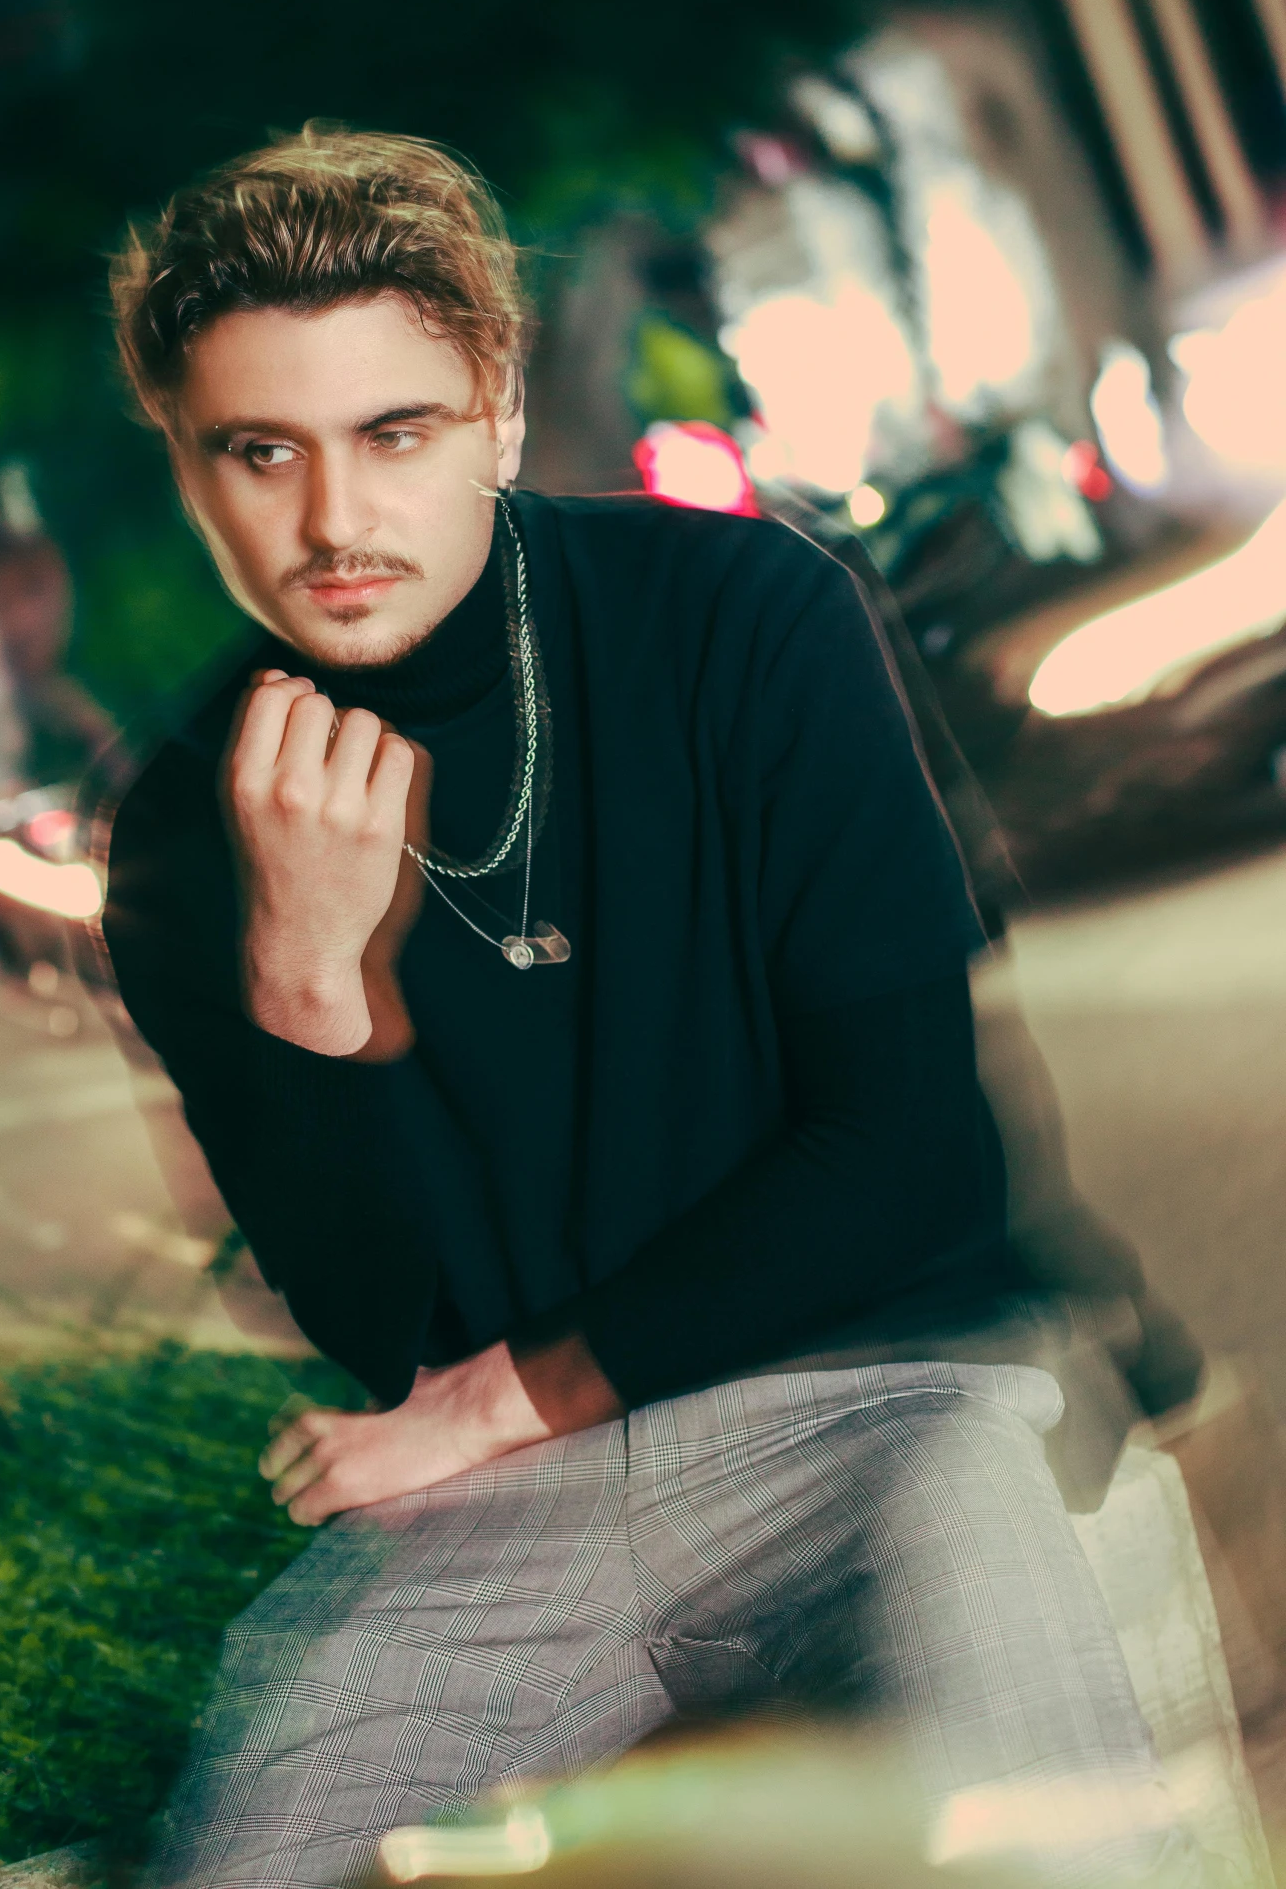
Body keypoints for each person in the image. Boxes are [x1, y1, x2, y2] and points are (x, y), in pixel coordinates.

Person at [101, 129, 1188, 1889]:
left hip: (882, 1401)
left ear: (499, 415)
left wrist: (493, 1395)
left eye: (397, 431)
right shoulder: (178, 826)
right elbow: (390, 1323)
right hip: (506, 1511)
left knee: (1039, 1829)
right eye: (261, 450)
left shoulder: (741, 618)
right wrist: (315, 981)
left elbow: (912, 1158)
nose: (332, 520)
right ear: (188, 461)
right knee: (243, 1853)